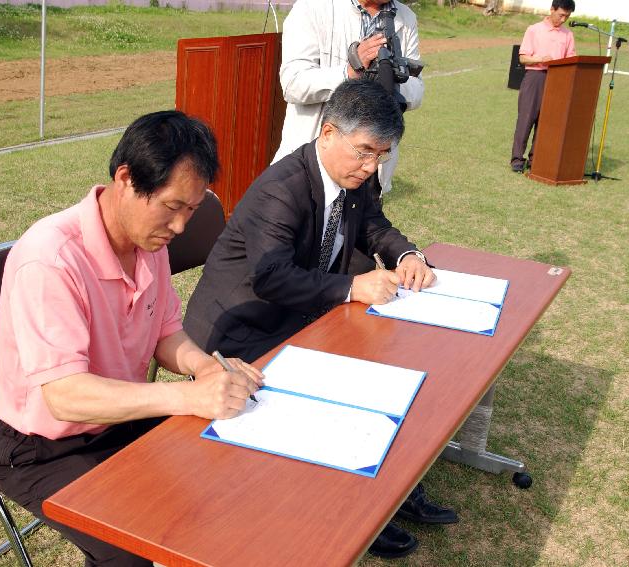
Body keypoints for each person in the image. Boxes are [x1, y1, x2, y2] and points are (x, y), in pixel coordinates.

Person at [183, 80, 457, 560]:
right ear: (328, 132)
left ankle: (385, 495)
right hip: (242, 328)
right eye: (364, 153)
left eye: (383, 156)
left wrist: (408, 254)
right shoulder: (281, 187)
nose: (372, 167)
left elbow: (373, 224)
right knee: (339, 391)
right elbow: (271, 278)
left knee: (382, 369)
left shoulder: (354, 174)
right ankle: (351, 510)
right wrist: (352, 287)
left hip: (301, 313)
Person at [0, 111, 264, 567]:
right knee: (136, 549)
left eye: (190, 211)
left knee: (223, 480)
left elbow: (166, 332)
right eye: (172, 207)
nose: (179, 227)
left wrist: (204, 366)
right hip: (44, 449)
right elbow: (65, 398)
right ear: (126, 180)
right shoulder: (50, 260)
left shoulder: (147, 243)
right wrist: (189, 397)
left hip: (121, 423)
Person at [272, 0, 424, 194]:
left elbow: (417, 88)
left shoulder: (406, 17)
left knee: (359, 223)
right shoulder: (312, 7)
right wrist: (350, 71)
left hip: (371, 172)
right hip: (315, 164)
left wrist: (389, 80)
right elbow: (293, 83)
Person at [510, 0, 577, 173]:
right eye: (561, 15)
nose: (563, 19)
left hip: (557, 79)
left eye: (567, 16)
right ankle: (517, 159)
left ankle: (536, 160)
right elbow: (523, 58)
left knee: (546, 122)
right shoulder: (534, 30)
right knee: (526, 119)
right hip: (535, 77)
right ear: (552, 9)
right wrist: (541, 59)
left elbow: (571, 59)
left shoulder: (568, 35)